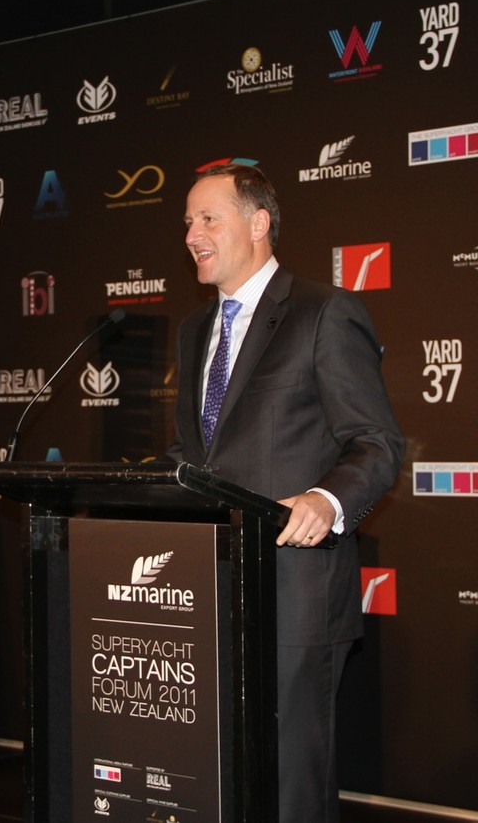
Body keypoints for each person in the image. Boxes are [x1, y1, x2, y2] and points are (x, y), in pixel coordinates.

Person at [169, 164, 404, 822]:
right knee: (220, 772)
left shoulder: (324, 314)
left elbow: (376, 444)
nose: (192, 234)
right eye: (188, 221)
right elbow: (195, 457)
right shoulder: (193, 333)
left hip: (295, 591)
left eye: (207, 218)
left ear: (259, 223)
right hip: (208, 590)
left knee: (289, 782)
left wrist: (325, 503)